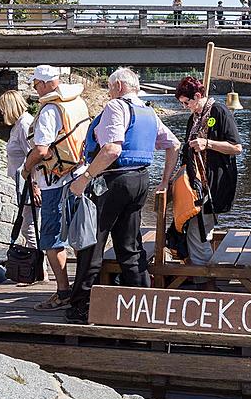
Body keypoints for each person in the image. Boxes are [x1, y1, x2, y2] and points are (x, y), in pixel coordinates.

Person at [67, 68, 179, 322]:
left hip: (114, 180)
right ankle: (142, 306)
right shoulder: (148, 112)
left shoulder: (117, 107)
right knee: (129, 245)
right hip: (140, 179)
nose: (107, 93)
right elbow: (173, 144)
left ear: (118, 86)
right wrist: (164, 180)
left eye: (108, 87)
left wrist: (84, 179)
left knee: (91, 242)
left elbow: (112, 149)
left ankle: (82, 306)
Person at [21, 65, 89, 311]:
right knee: (81, 236)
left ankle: (63, 293)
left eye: (36, 84)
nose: (35, 88)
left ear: (47, 84)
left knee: (51, 239)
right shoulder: (76, 102)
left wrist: (26, 169)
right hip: (80, 176)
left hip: (55, 181)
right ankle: (83, 290)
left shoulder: (50, 109)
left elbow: (41, 150)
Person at [174, 77, 242, 273]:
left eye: (187, 103)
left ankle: (204, 278)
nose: (186, 107)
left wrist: (208, 143)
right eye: (182, 104)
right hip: (196, 186)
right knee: (197, 230)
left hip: (214, 184)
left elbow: (236, 147)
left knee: (199, 231)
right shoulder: (193, 119)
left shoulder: (219, 111)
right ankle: (201, 274)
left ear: (198, 96)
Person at [0, 90, 39, 251]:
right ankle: (38, 264)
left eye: (3, 108)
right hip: (23, 182)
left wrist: (35, 186)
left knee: (29, 227)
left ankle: (39, 265)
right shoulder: (19, 124)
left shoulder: (24, 125)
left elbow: (34, 155)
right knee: (29, 225)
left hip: (29, 182)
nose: (1, 112)